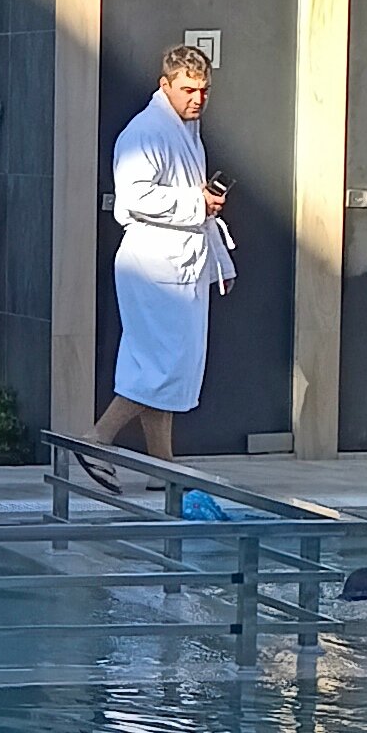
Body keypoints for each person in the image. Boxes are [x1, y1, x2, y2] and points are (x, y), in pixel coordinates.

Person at [92, 42, 233, 463]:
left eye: (204, 90)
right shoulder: (144, 132)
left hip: (178, 262)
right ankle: (96, 439)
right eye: (188, 89)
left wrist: (217, 251)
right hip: (153, 265)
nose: (198, 99)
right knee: (161, 366)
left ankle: (162, 465)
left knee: (167, 366)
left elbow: (190, 202)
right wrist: (196, 202)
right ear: (165, 85)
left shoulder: (186, 131)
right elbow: (134, 197)